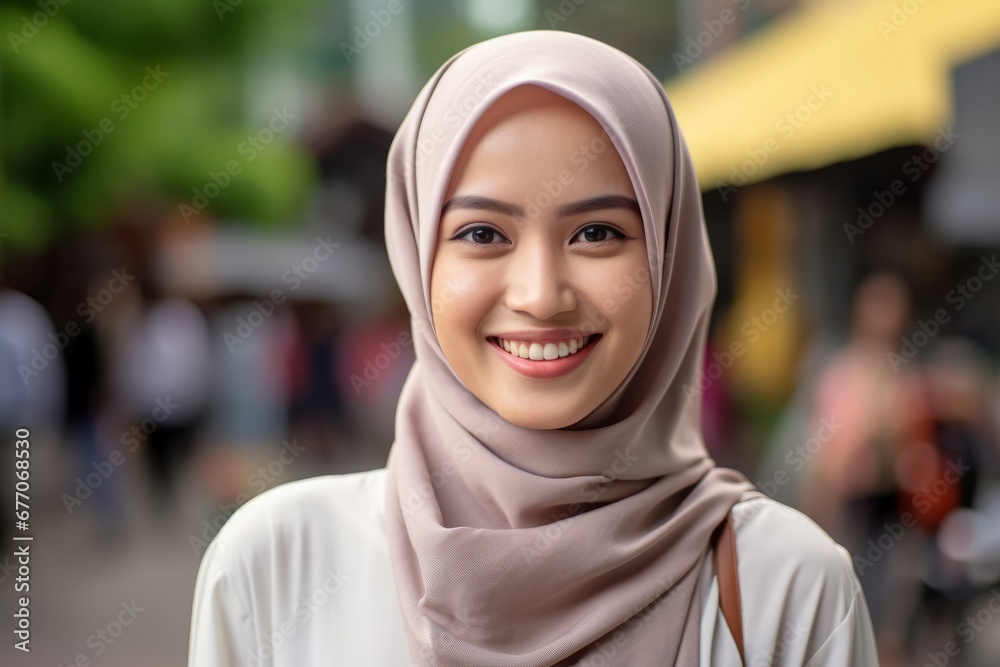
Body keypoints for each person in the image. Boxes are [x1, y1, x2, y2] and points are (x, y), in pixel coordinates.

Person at [189, 30, 878, 666]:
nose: (542, 294)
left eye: (598, 233)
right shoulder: (276, 567)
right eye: (483, 234)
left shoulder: (786, 586)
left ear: (671, 257)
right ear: (417, 256)